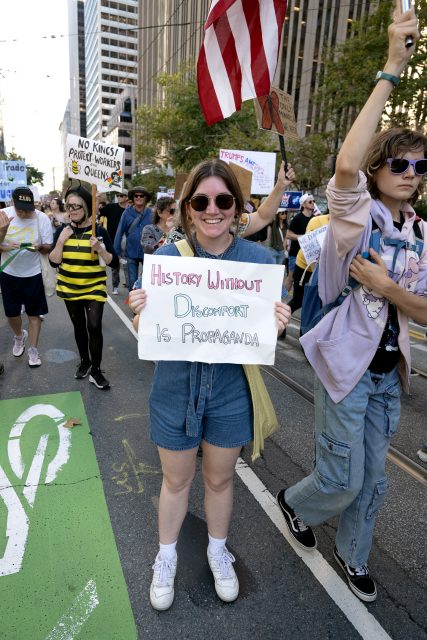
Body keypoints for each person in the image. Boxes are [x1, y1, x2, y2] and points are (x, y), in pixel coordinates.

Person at [276, 9, 425, 603]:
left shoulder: (419, 233)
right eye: (400, 163)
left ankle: (353, 554)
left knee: (375, 482)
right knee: (341, 476)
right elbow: (343, 164)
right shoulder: (351, 218)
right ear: (376, 170)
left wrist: (392, 292)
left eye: (421, 166)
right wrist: (392, 66)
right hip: (345, 372)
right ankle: (295, 501)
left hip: (390, 376)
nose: (412, 174)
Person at [129, 158, 291, 611]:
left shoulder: (260, 262)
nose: (212, 209)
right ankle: (166, 559)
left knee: (220, 480)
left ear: (238, 207)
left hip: (229, 391)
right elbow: (148, 332)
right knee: (175, 481)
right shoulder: (164, 261)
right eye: (202, 201)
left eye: (223, 200)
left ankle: (218, 552)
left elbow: (264, 332)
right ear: (187, 208)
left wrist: (276, 325)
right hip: (177, 387)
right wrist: (141, 310)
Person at [49, 186, 119, 389]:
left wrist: (100, 249)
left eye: (76, 206)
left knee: (94, 327)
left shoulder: (100, 232)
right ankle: (85, 361)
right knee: (79, 327)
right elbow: (54, 262)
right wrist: (61, 242)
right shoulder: (62, 231)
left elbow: (114, 262)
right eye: (68, 206)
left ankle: (96, 370)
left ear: (87, 208)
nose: (71, 210)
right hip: (70, 287)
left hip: (94, 287)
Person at [0, 187, 53, 367]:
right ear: (13, 203)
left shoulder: (41, 218)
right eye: (19, 208)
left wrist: (39, 247)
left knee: (34, 314)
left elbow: (48, 247)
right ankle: (19, 335)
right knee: (12, 314)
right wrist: (3, 232)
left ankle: (33, 350)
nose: (23, 212)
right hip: (9, 273)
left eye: (27, 208)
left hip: (34, 273)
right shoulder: (3, 215)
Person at [113, 186, 153, 290]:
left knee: (148, 281)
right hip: (131, 252)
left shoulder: (152, 213)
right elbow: (119, 231)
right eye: (136, 195)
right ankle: (134, 303)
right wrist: (116, 253)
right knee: (132, 283)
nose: (138, 197)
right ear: (133, 198)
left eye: (141, 195)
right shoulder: (127, 213)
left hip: (148, 253)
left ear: (146, 198)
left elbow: (158, 231)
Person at [98, 189, 129, 294]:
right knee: (115, 264)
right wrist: (98, 198)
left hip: (127, 241)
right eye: (117, 195)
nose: (119, 197)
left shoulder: (130, 210)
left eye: (121, 195)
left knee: (127, 264)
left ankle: (129, 284)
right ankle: (115, 286)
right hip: (113, 240)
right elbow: (98, 211)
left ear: (127, 197)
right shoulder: (111, 207)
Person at [284, 193, 315, 293]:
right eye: (310, 201)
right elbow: (288, 235)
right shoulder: (297, 218)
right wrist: (304, 238)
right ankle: (280, 298)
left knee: (307, 279)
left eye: (313, 201)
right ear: (303, 204)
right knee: (291, 278)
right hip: (295, 253)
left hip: (310, 255)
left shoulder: (315, 219)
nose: (313, 203)